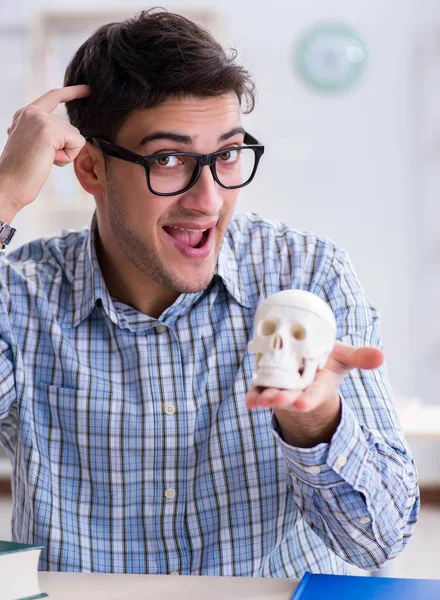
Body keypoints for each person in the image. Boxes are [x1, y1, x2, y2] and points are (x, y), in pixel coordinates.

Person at [0, 9, 418, 576]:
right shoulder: (21, 297)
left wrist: (318, 423)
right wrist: (2, 195)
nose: (210, 199)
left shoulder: (310, 274)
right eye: (168, 159)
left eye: (225, 155)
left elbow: (381, 542)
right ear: (92, 169)